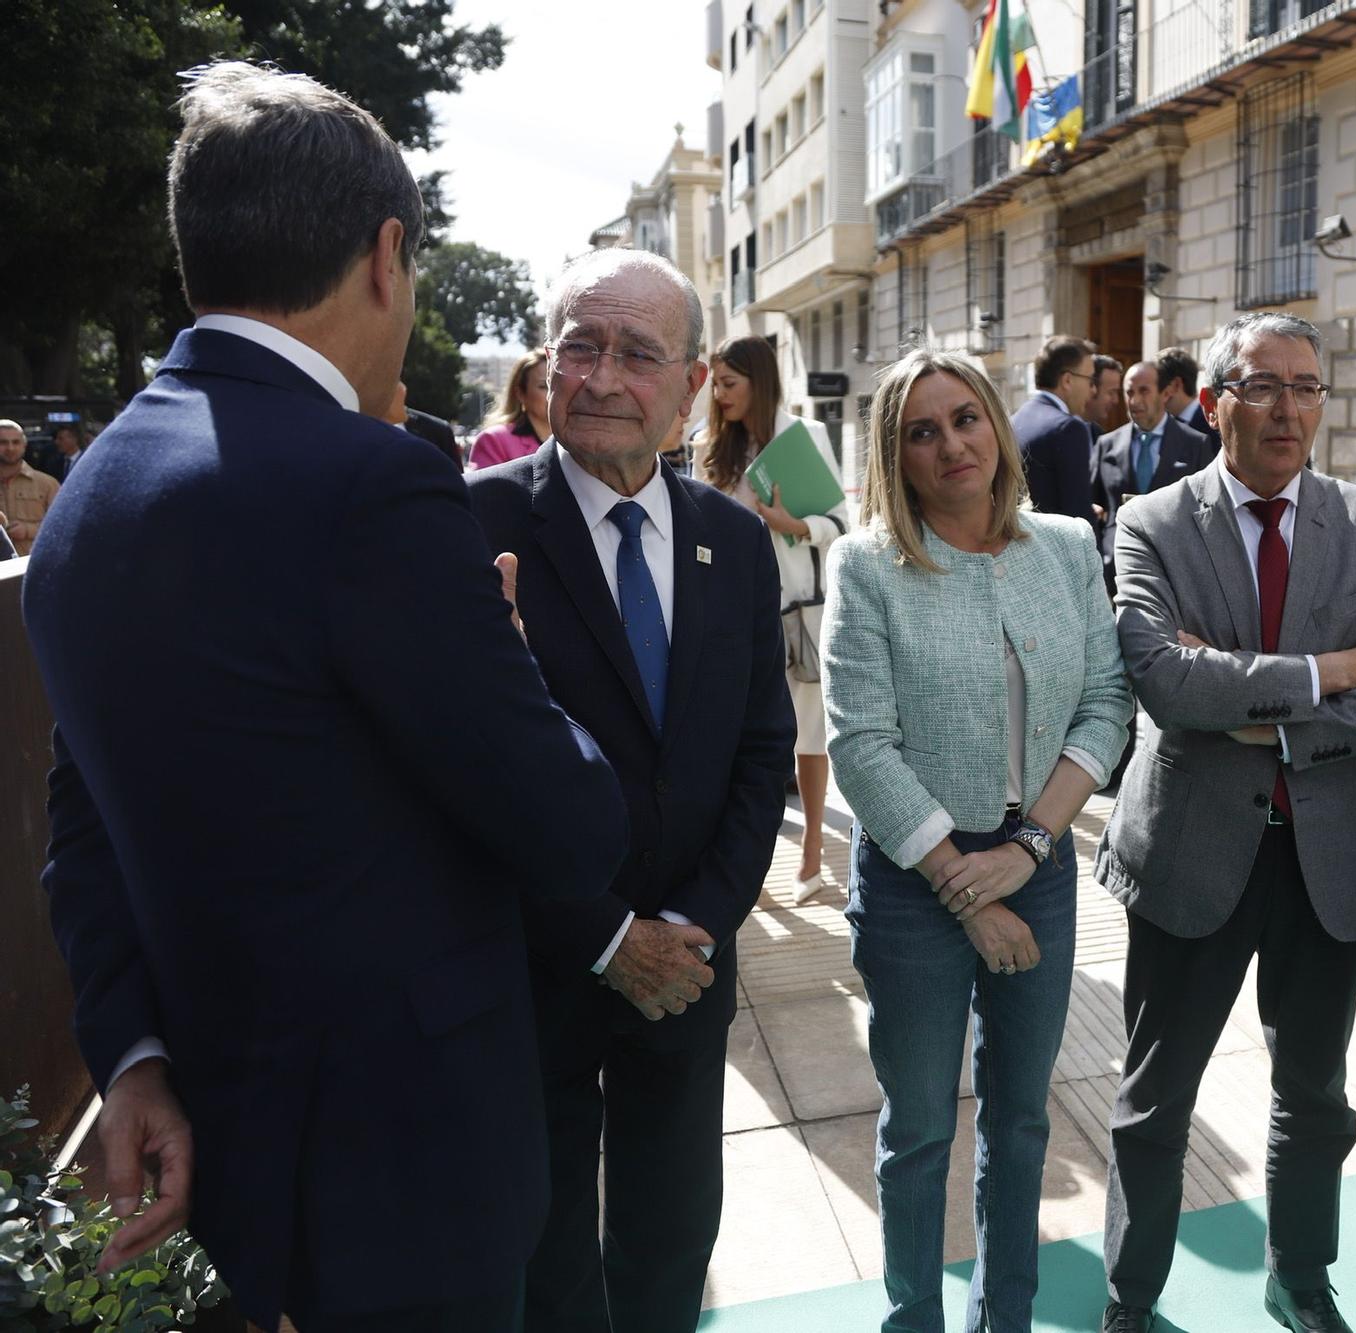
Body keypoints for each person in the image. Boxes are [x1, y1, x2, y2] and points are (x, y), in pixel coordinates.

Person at [21, 63, 628, 1333]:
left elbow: (80, 820)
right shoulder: (370, 486)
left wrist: (129, 1049)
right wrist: (504, 650)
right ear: (385, 256)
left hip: (236, 1143)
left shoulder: (85, 500)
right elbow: (572, 832)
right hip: (412, 1169)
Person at [1097, 313, 1356, 1333]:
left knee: (1314, 1093)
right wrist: (1326, 673)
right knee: (1155, 1098)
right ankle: (1132, 1292)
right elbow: (1163, 681)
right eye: (1262, 386)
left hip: (1328, 850)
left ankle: (1298, 1275)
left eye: (1306, 386)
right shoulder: (1152, 522)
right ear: (1215, 405)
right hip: (1190, 850)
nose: (1288, 408)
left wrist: (1268, 724)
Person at [467, 251, 793, 1333]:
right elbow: (462, 774)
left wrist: (694, 921)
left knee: (670, 1232)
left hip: (687, 968)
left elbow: (759, 756)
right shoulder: (469, 531)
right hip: (537, 963)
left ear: (693, 384)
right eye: (579, 346)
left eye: (637, 353)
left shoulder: (736, 541)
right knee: (547, 1250)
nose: (602, 377)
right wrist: (607, 936)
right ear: (544, 363)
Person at [822, 345, 1132, 1333]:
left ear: (996, 425)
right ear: (894, 454)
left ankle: (1007, 1317)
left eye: (964, 417)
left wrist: (1028, 851)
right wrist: (968, 884)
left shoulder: (1066, 546)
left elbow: (1103, 706)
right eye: (922, 430)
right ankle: (912, 1317)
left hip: (1033, 862)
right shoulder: (867, 565)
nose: (951, 442)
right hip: (918, 878)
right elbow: (859, 744)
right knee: (916, 1130)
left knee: (1022, 1120)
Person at [701, 332, 850, 905]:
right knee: (743, 737)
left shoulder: (805, 436)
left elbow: (841, 525)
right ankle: (744, 858)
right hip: (737, 614)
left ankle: (813, 849)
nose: (718, 394)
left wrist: (793, 525)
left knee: (810, 735)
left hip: (805, 611)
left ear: (759, 383)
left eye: (729, 383)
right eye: (715, 383)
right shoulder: (708, 446)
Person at [1089, 359, 1216, 591]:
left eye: (1144, 391)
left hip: (1175, 574)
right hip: (1115, 573)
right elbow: (1092, 504)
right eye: (1129, 392)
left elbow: (1208, 511)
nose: (1135, 401)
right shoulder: (1106, 445)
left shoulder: (1195, 444)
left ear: (1165, 394)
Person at [1014, 334, 1099, 522]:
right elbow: (1078, 516)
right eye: (1090, 380)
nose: (1093, 390)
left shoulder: (1014, 421)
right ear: (1067, 380)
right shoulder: (1068, 428)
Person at [470, 348, 552, 469]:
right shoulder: (494, 441)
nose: (553, 393)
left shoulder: (575, 440)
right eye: (544, 386)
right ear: (520, 394)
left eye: (557, 384)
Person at [0, 419, 61, 555]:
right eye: (3, 442)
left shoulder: (47, 484)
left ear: (24, 445)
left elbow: (65, 527)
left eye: (16, 442)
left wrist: (28, 530)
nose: (10, 448)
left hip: (33, 568)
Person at [1155, 346, 1219, 444]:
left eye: (1156, 384)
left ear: (1176, 385)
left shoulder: (1214, 427)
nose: (1153, 393)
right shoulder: (1161, 426)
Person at [1088, 353, 1125, 437]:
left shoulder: (1098, 435)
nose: (1116, 401)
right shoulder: (1064, 429)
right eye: (1111, 393)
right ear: (1092, 387)